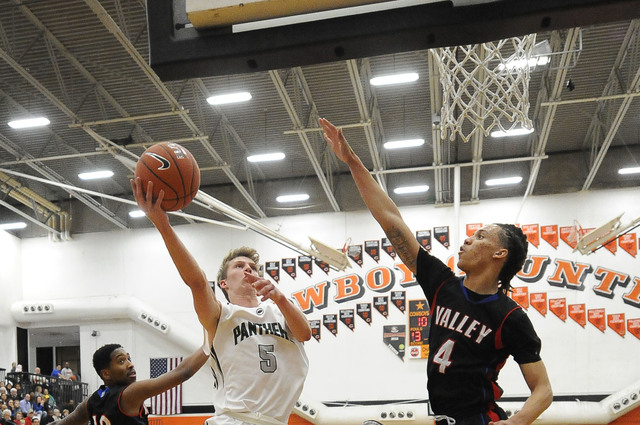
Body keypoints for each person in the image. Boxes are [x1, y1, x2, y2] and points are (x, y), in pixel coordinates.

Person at [319, 118, 553, 425]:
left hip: (480, 419)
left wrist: (517, 421)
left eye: (481, 236)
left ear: (500, 254)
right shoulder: (443, 285)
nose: (469, 239)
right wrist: (352, 162)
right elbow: (391, 219)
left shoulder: (510, 317)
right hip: (442, 418)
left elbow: (543, 390)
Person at [132, 178, 311, 425]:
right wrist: (163, 226)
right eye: (239, 266)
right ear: (224, 284)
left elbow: (305, 333)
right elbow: (196, 282)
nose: (249, 270)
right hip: (234, 420)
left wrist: (280, 298)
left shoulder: (280, 309)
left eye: (253, 267)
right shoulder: (221, 315)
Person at [55, 339, 208, 425]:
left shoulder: (91, 401)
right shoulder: (129, 394)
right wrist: (209, 345)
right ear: (106, 373)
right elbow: (182, 372)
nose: (130, 364)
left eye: (129, 358)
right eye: (121, 361)